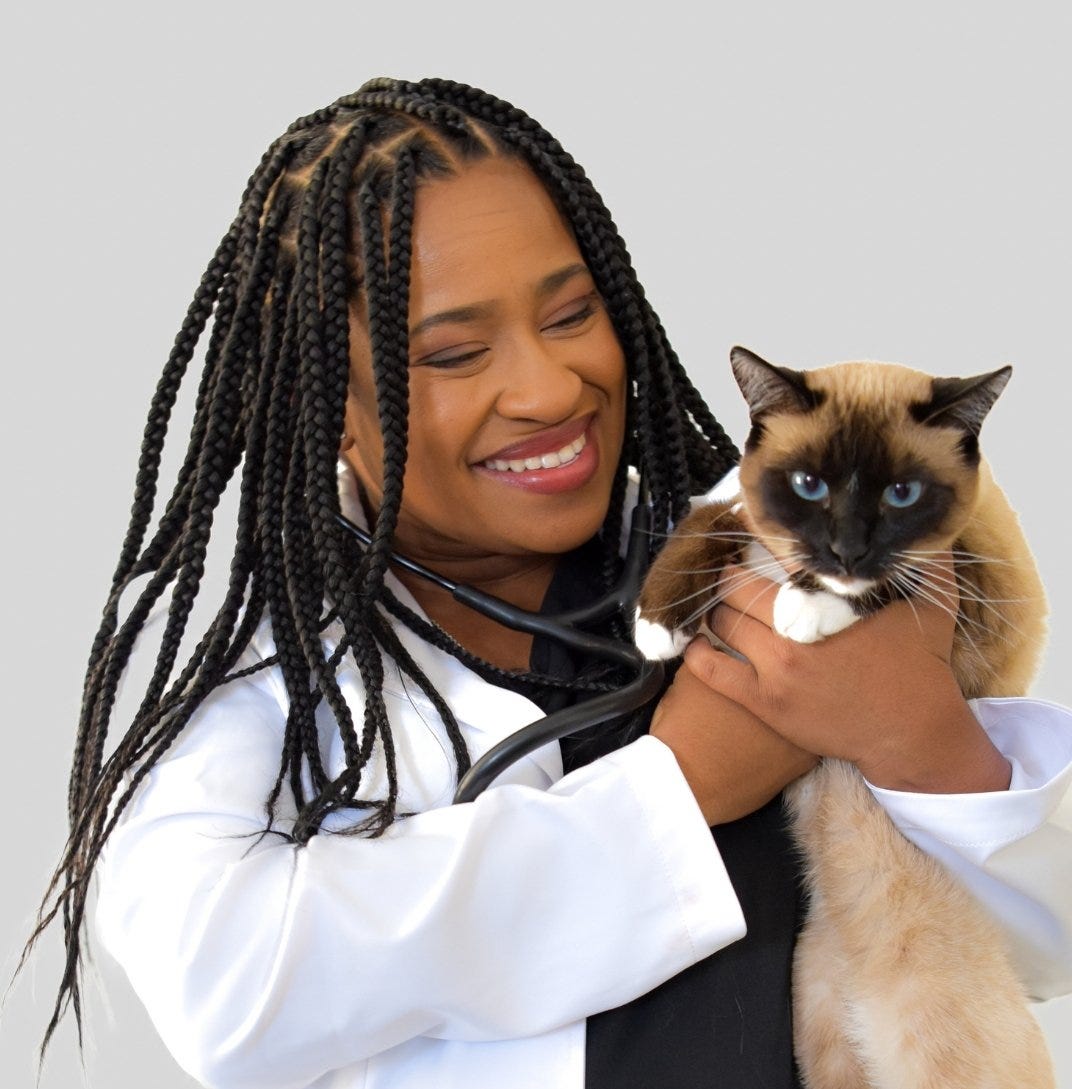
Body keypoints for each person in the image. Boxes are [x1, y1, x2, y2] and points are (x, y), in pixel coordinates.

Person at [33, 78, 1072, 1089]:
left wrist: (924, 743)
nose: (543, 388)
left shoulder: (793, 565)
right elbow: (227, 994)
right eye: (452, 352)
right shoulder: (271, 690)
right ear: (330, 414)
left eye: (572, 315)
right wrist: (681, 788)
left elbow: (1044, 949)